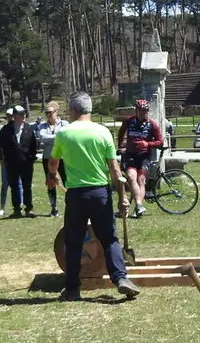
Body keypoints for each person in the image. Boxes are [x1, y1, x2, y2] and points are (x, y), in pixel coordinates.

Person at [47, 91, 141, 301]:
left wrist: (52, 176)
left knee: (74, 241)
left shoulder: (64, 133)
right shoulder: (103, 132)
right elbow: (116, 171)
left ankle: (72, 288)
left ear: (72, 110)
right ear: (89, 110)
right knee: (109, 239)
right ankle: (121, 278)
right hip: (101, 193)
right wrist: (123, 197)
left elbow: (53, 162)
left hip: (77, 194)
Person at [116, 99, 164, 218]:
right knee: (131, 177)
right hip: (130, 155)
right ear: (136, 111)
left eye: (146, 111)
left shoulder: (152, 124)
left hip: (144, 156)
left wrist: (148, 144)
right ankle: (139, 206)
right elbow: (121, 134)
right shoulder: (129, 121)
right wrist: (121, 146)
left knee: (141, 180)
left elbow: (160, 142)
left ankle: (138, 206)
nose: (145, 113)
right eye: (142, 111)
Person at [0, 105, 38, 218]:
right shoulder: (6, 129)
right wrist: (1, 158)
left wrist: (32, 158)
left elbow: (34, 145)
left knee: (27, 186)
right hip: (11, 163)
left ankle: (29, 209)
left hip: (26, 163)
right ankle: (17, 210)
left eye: (24, 114)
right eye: (20, 114)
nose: (23, 116)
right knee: (14, 186)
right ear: (14, 116)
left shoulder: (29, 128)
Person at [34, 101, 69, 217]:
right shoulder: (42, 126)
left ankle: (71, 205)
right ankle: (54, 208)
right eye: (46, 113)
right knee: (50, 182)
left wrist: (54, 138)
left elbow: (67, 136)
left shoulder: (64, 124)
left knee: (67, 181)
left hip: (63, 157)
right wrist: (58, 137)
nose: (48, 114)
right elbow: (42, 137)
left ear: (56, 112)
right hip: (48, 158)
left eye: (50, 112)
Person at [0, 108, 21, 216]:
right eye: (7, 116)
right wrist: (1, 159)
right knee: (5, 184)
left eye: (11, 115)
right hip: (6, 162)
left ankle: (18, 207)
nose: (9, 118)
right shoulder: (4, 129)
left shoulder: (20, 128)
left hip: (18, 162)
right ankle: (2, 207)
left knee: (18, 184)